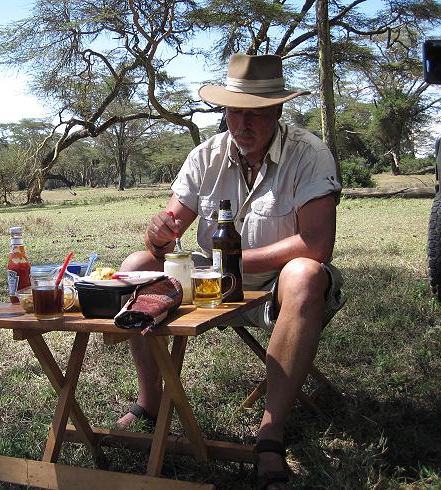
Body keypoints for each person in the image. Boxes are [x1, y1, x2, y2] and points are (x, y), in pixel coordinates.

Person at [118, 53, 345, 490]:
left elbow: (317, 245)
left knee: (305, 274)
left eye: (256, 114)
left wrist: (234, 262)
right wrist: (159, 236)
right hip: (211, 282)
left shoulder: (309, 154)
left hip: (278, 286)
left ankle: (270, 434)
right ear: (224, 111)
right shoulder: (206, 155)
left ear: (278, 110)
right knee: (136, 266)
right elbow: (166, 235)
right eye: (234, 111)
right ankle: (150, 402)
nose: (243, 124)